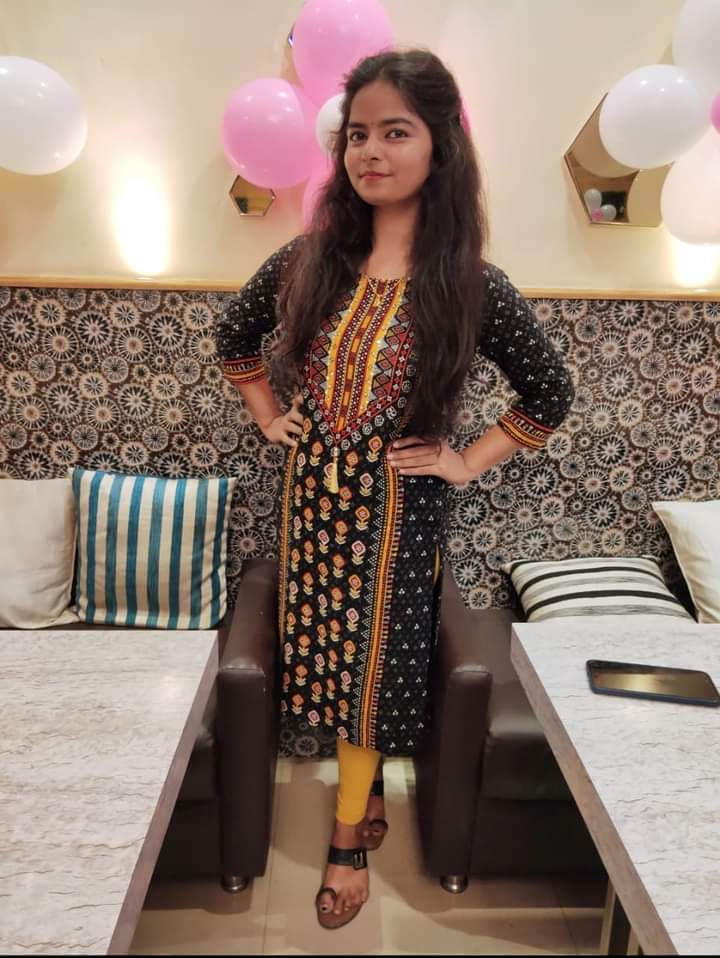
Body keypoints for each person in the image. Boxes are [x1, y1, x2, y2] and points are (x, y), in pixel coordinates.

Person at [216, 47, 575, 929]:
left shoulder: (471, 284)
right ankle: (365, 794)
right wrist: (269, 416)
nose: (371, 152)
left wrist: (465, 460)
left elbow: (549, 393)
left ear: (440, 145)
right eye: (358, 135)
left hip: (400, 519)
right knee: (322, 662)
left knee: (371, 673)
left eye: (396, 132)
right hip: (312, 508)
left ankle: (347, 841)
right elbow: (234, 336)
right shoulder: (312, 260)